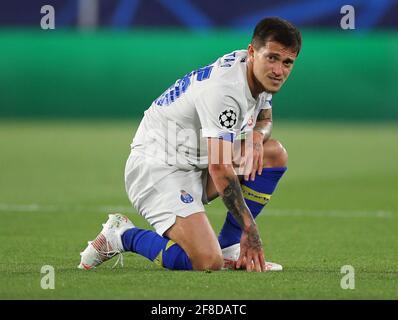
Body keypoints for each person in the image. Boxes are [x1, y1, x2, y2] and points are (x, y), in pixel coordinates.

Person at [78, 17, 301, 272]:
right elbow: (220, 169)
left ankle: (229, 248)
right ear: (252, 52)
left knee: (273, 154)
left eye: (287, 63)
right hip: (157, 167)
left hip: (194, 163)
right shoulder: (226, 90)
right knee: (206, 261)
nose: (278, 70)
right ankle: (122, 235)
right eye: (272, 58)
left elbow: (265, 119)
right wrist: (251, 230)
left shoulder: (259, 77)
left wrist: (257, 137)